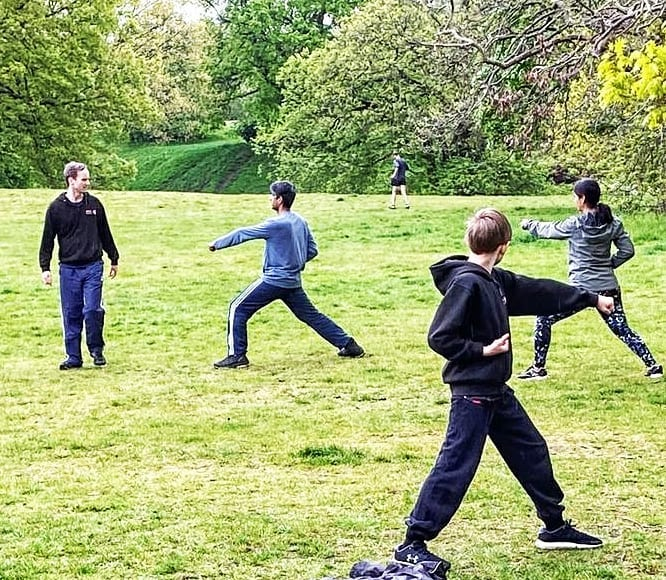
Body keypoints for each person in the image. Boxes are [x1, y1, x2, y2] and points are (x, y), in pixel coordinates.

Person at [393, 208, 613, 578]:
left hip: (495, 389)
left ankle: (554, 526)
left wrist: (590, 299)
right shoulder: (467, 284)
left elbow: (539, 291)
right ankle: (412, 543)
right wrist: (482, 351)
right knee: (456, 465)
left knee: (531, 451)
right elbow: (440, 337)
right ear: (504, 246)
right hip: (472, 392)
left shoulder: (494, 279)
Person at [208, 180, 364, 369]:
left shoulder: (276, 224)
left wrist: (216, 244)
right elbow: (312, 250)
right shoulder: (300, 221)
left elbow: (243, 233)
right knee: (312, 316)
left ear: (279, 199)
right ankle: (349, 345)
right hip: (292, 282)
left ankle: (237, 356)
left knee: (237, 308)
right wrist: (294, 263)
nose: (269, 198)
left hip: (274, 280)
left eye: (272, 195)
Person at [518, 178, 662, 381]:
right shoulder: (614, 223)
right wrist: (610, 265)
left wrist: (528, 224)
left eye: (575, 196)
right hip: (608, 288)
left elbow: (548, 230)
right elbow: (628, 250)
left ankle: (538, 368)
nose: (574, 200)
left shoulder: (575, 225)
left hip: (580, 291)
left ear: (583, 198)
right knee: (622, 329)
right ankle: (653, 365)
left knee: (544, 318)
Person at [39, 161, 119, 370]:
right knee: (71, 313)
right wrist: (45, 268)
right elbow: (47, 240)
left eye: (88, 179)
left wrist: (114, 258)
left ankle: (96, 349)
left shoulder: (94, 205)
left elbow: (105, 233)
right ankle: (73, 357)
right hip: (69, 269)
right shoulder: (56, 208)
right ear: (71, 180)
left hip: (93, 266)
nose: (87, 183)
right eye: (84, 179)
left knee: (93, 309)